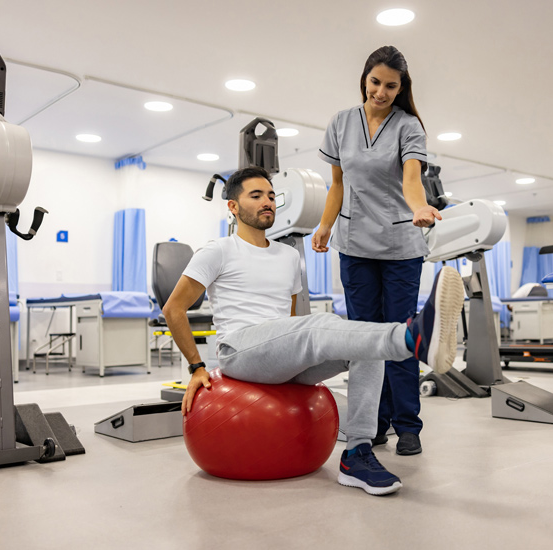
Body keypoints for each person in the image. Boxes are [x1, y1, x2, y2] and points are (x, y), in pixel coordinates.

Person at [164, 166, 463, 496]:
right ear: (233, 207)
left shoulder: (289, 256)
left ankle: (357, 454)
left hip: (279, 355)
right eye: (256, 196)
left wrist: (301, 341)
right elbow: (173, 309)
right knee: (327, 326)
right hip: (240, 352)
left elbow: (292, 319)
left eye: (271, 196)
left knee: (364, 347)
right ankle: (413, 338)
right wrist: (196, 367)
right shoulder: (218, 250)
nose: (268, 202)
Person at [312, 45, 438, 456]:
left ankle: (408, 425)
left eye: (390, 86)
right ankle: (370, 424)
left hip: (401, 245)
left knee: (397, 335)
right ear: (364, 78)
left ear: (401, 89)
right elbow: (337, 184)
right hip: (355, 246)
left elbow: (412, 178)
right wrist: (326, 225)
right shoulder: (341, 123)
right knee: (364, 340)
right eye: (375, 82)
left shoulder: (409, 126)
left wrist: (420, 207)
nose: (380, 92)